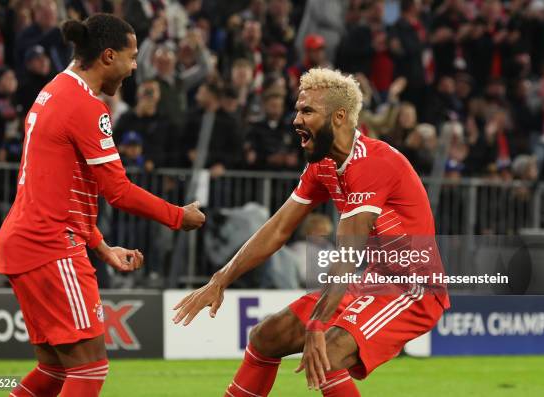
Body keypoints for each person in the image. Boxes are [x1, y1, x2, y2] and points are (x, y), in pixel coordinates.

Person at [173, 68, 449, 396]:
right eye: (297, 110)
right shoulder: (323, 165)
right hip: (374, 280)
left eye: (307, 111)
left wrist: (318, 323)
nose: (296, 120)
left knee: (327, 354)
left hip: (413, 289)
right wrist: (220, 279)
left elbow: (348, 251)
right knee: (266, 337)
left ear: (339, 117)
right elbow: (278, 228)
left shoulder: (373, 163)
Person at [0, 14, 205, 397]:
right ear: (108, 56)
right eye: (132, 56)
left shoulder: (54, 90)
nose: (135, 67)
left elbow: (59, 188)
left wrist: (102, 246)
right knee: (90, 368)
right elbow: (119, 192)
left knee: (56, 370)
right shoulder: (86, 107)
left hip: (27, 240)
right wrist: (178, 216)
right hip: (51, 245)